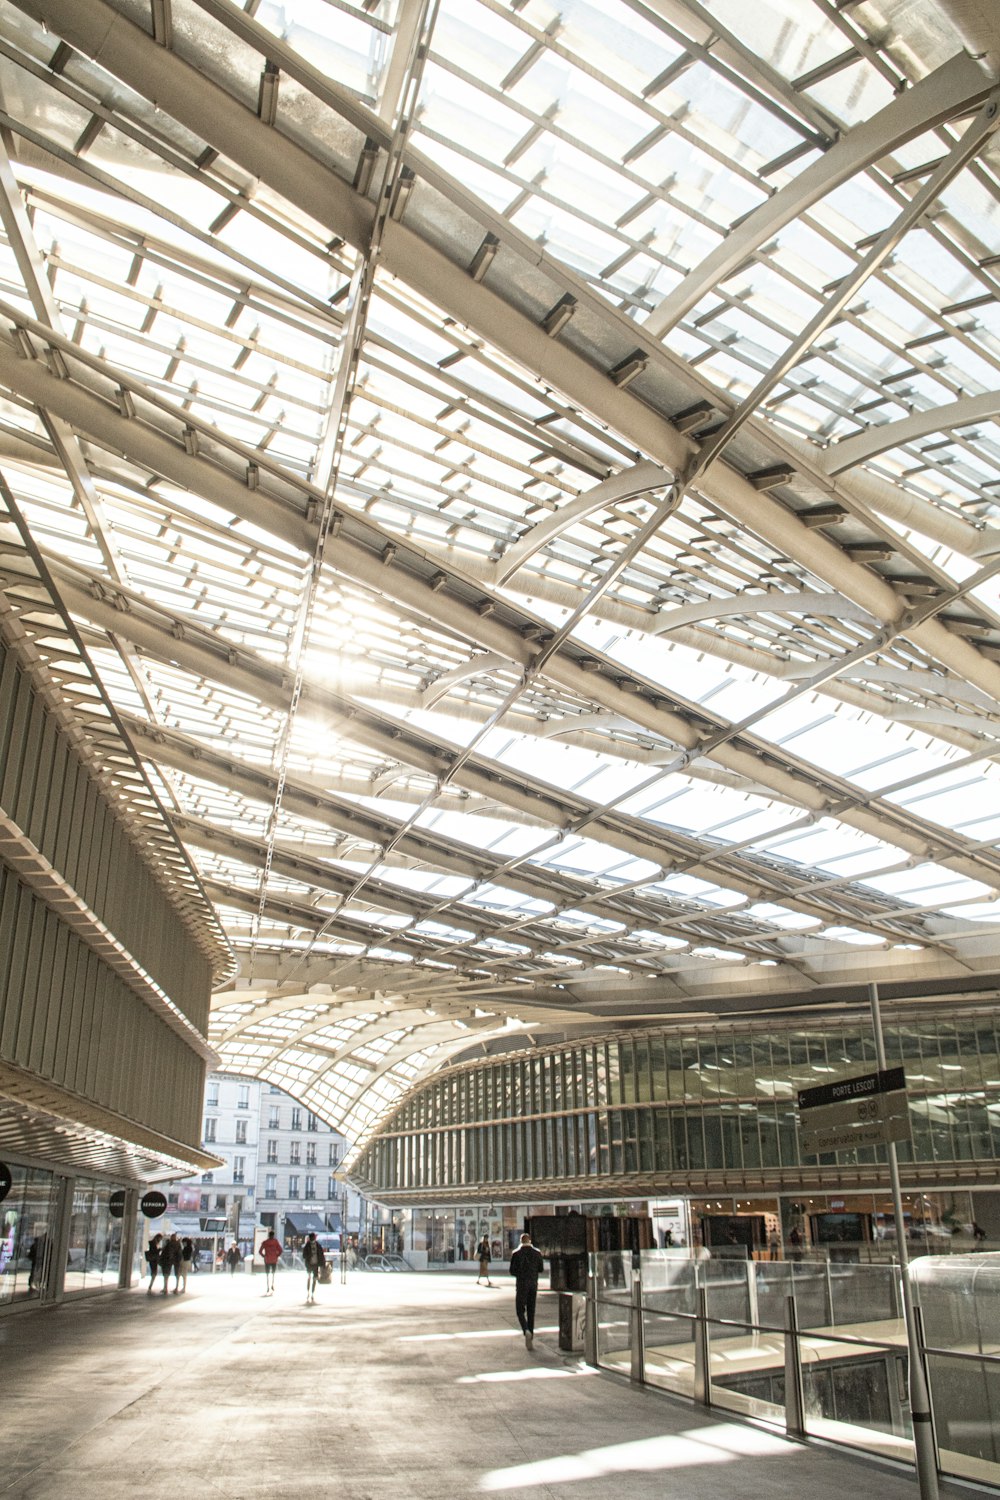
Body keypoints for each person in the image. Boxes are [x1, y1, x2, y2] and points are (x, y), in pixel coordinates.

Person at [508, 1232, 544, 1350]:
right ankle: (531, 1337)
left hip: (521, 1285)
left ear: (520, 1241)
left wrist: (521, 1273)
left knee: (520, 1310)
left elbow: (512, 1271)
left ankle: (525, 1330)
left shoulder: (516, 1254)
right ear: (530, 1241)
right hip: (533, 1284)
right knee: (531, 1311)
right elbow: (541, 1269)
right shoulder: (537, 1253)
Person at [302, 1232, 326, 1302]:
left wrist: (322, 1263)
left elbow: (321, 1255)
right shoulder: (316, 1245)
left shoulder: (315, 1245)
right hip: (312, 1264)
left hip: (313, 1264)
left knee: (313, 1278)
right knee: (311, 1278)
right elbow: (321, 1255)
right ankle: (310, 1292)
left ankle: (311, 1292)